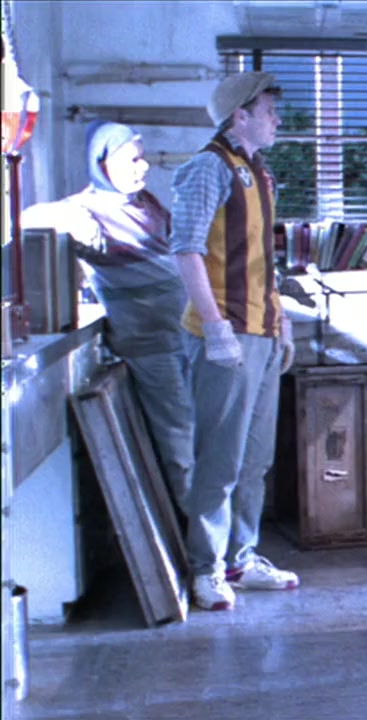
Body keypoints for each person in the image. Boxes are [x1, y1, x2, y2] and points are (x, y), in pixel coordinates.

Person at [169, 71, 297, 611]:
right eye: (268, 110)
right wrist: (215, 327)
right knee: (220, 459)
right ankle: (206, 567)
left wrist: (280, 320)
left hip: (260, 331)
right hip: (226, 334)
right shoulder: (209, 168)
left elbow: (261, 259)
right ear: (238, 116)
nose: (277, 119)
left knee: (254, 459)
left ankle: (240, 558)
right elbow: (186, 249)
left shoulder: (258, 172)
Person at [21, 122, 194, 511]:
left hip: (186, 335)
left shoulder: (146, 203)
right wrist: (68, 215)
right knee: (180, 436)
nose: (143, 166)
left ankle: (211, 527)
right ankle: (197, 531)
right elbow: (26, 219)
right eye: (132, 159)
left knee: (201, 432)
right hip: (151, 345)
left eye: (142, 157)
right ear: (102, 164)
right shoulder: (88, 212)